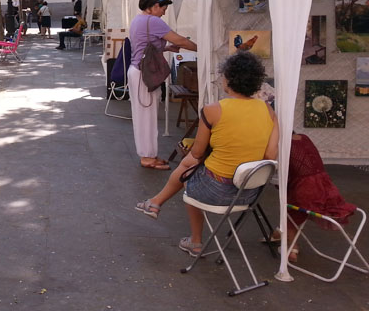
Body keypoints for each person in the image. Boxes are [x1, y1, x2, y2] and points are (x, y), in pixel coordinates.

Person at [134, 52, 279, 257]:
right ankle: (155, 203)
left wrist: (191, 154)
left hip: (215, 191)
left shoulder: (213, 110)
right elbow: (271, 154)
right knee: (191, 166)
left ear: (228, 79)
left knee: (189, 167)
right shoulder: (268, 111)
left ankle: (194, 239)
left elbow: (198, 153)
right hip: (249, 192)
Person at [128, 0, 197, 170]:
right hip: (144, 74)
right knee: (146, 117)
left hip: (139, 72)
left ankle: (150, 154)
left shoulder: (138, 19)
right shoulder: (153, 21)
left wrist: (165, 48)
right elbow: (180, 39)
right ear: (155, 6)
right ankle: (147, 157)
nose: (164, 13)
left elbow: (144, 45)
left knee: (147, 116)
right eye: (163, 9)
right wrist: (201, 49)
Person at [270, 132, 357, 262]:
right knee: (293, 202)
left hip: (306, 191)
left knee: (291, 208)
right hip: (327, 189)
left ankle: (292, 247)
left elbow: (279, 173)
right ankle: (280, 232)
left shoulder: (281, 145)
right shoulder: (304, 137)